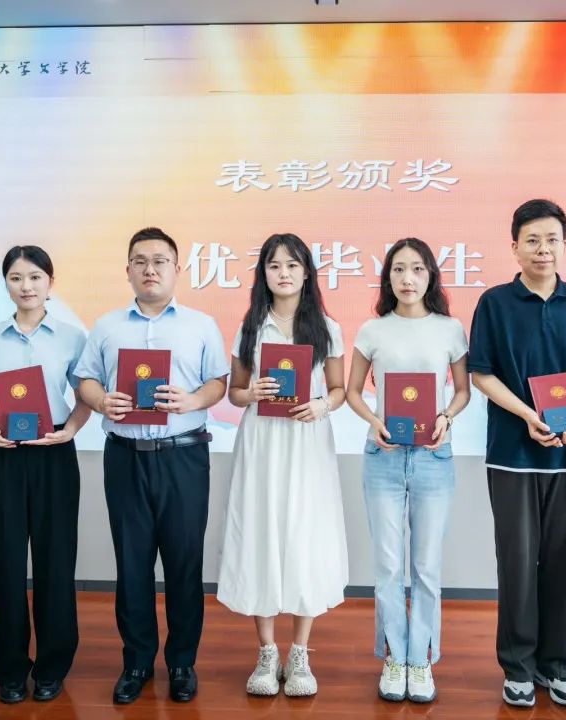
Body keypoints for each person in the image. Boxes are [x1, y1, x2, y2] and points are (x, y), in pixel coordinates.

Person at [468, 199, 566, 708]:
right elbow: (482, 373)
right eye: (532, 240)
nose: (542, 249)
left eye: (552, 239)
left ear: (564, 245)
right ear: (515, 247)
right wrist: (529, 417)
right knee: (516, 561)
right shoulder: (495, 303)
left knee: (564, 560)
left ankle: (557, 666)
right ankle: (517, 667)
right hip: (512, 452)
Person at [74, 227, 228, 704]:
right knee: (132, 564)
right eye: (140, 261)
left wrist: (192, 400)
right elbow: (85, 380)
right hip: (125, 458)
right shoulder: (106, 327)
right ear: (128, 271)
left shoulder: (201, 325)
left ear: (177, 270)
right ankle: (137, 662)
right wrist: (102, 401)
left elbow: (219, 383)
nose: (150, 269)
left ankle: (182, 663)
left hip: (183, 455)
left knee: (184, 563)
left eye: (160, 261)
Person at [217, 233, 348, 698]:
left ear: (306, 272)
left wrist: (321, 406)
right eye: (274, 266)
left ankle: (300, 653)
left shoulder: (326, 328)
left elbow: (338, 390)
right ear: (264, 274)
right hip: (262, 441)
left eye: (292, 265)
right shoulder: (251, 327)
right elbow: (235, 392)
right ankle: (267, 651)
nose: (284, 273)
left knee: (303, 536)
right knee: (262, 533)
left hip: (306, 440)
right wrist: (250, 393)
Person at [0, 245, 91, 704]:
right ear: (7, 284)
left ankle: (52, 668)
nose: (26, 286)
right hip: (2, 456)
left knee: (56, 563)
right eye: (16, 278)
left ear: (50, 282)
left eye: (35, 277)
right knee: (5, 564)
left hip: (53, 455)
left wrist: (70, 430)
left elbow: (86, 397)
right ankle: (11, 672)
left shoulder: (72, 338)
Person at [345, 238, 470, 704]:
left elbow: (462, 391)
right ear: (388, 278)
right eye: (398, 269)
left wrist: (446, 417)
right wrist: (375, 421)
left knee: (426, 566)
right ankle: (394, 657)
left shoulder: (450, 329)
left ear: (431, 275)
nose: (408, 278)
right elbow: (353, 391)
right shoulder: (373, 330)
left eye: (417, 269)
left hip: (434, 457)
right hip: (383, 455)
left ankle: (421, 659)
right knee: (387, 565)